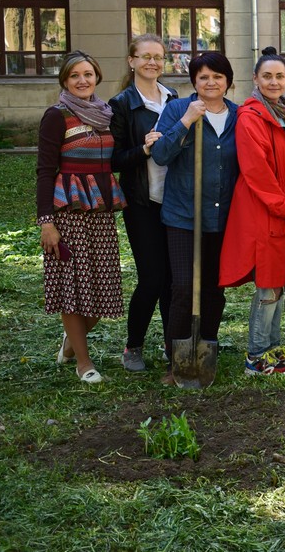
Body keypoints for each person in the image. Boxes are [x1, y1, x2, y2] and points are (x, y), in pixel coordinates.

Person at [220, 47, 285, 375]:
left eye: (279, 76)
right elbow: (256, 172)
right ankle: (256, 355)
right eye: (267, 76)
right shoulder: (251, 117)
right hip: (264, 212)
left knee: (279, 282)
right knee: (268, 283)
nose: (274, 82)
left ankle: (273, 349)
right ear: (255, 79)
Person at [37, 51, 126, 384]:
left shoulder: (106, 113)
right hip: (68, 213)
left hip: (100, 212)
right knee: (73, 287)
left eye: (88, 74)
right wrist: (46, 222)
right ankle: (84, 363)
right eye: (75, 75)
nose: (82, 80)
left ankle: (70, 342)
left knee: (102, 289)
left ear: (97, 77)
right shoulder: (56, 115)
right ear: (65, 80)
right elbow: (45, 170)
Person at [151, 51, 239, 386]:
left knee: (214, 289)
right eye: (203, 77)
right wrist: (187, 120)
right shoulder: (176, 109)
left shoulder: (239, 115)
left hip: (222, 217)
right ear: (194, 81)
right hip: (183, 215)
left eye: (217, 77)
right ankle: (176, 359)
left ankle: (205, 350)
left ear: (228, 81)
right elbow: (160, 154)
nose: (211, 82)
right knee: (184, 287)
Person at [110, 34, 177, 372]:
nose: (153, 62)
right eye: (146, 56)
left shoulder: (173, 98)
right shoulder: (121, 103)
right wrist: (145, 149)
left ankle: (171, 344)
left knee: (173, 279)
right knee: (151, 277)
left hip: (174, 200)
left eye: (158, 57)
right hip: (141, 201)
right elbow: (114, 159)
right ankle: (133, 345)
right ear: (132, 61)